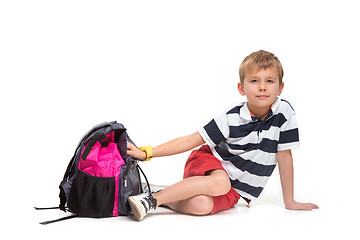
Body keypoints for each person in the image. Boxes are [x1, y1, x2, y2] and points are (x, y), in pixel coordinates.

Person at [127, 50, 319, 221]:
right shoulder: (230, 118)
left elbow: (284, 156)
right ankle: (151, 201)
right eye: (254, 81)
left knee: (201, 205)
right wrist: (146, 153)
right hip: (208, 163)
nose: (262, 87)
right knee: (220, 182)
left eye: (269, 81)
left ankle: (159, 194)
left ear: (280, 87)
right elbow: (190, 140)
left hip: (235, 189)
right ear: (241, 88)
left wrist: (290, 201)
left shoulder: (284, 113)